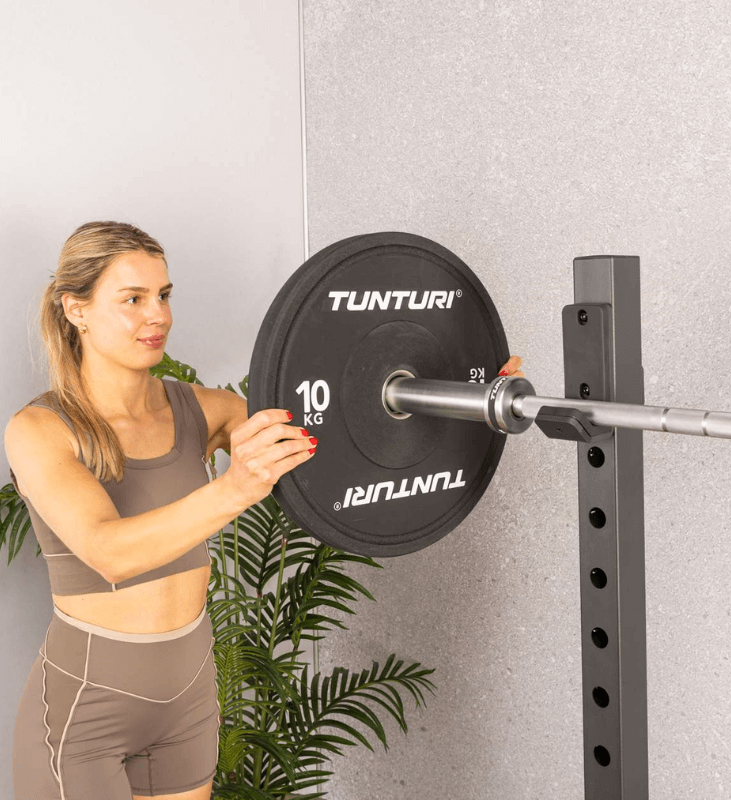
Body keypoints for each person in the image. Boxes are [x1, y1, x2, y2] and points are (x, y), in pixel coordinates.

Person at [4, 220, 525, 798]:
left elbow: (341, 429)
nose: (158, 316)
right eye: (133, 299)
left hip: (188, 698)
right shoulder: (40, 430)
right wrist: (234, 489)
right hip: (88, 704)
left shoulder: (201, 409)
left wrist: (468, 399)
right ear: (75, 308)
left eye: (164, 295)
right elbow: (109, 553)